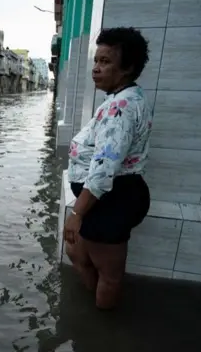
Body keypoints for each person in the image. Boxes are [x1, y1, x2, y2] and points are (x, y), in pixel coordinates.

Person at [64, 27, 152, 310]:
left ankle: (103, 331)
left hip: (112, 199)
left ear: (127, 68)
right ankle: (94, 311)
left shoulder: (122, 107)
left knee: (109, 276)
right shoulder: (118, 99)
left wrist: (77, 213)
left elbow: (104, 169)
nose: (96, 69)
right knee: (77, 254)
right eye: (96, 60)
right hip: (103, 199)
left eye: (105, 62)